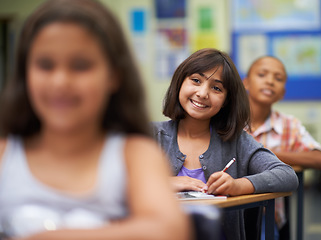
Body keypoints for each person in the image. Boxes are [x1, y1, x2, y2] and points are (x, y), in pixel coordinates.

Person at [0, 0, 191, 239]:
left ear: (114, 76)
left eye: (80, 66)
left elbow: (168, 230)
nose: (60, 82)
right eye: (45, 65)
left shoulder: (133, 156)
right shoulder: (6, 156)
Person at [152, 48, 299, 240]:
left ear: (226, 101)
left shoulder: (237, 141)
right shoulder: (151, 135)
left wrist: (238, 186)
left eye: (216, 88)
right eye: (196, 80)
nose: (203, 93)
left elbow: (287, 176)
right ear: (180, 82)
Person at [243, 56, 321, 240]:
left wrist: (267, 154)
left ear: (282, 93)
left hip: (270, 215)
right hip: (230, 211)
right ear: (246, 83)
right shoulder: (226, 121)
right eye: (262, 74)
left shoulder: (289, 125)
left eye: (278, 78)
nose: (270, 81)